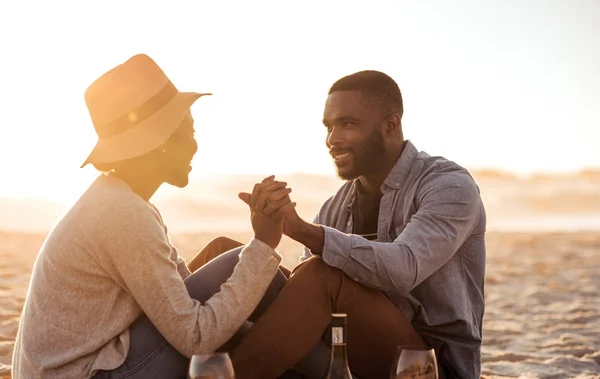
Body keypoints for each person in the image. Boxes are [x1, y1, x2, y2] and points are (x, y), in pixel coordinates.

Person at [11, 54, 296, 379]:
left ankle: (323, 358)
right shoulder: (123, 214)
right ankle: (338, 357)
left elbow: (184, 294)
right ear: (158, 143)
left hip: (93, 363)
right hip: (87, 374)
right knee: (244, 265)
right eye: (187, 134)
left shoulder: (121, 201)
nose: (195, 146)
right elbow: (197, 338)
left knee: (247, 288)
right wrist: (264, 241)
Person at [229, 70, 487, 379]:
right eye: (329, 126)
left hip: (425, 366)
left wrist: (301, 231)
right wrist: (267, 235)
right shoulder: (335, 205)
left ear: (390, 125)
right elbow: (302, 296)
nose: (332, 139)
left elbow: (403, 269)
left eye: (347, 124)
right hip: (345, 355)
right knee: (229, 255)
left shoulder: (448, 185)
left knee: (322, 275)